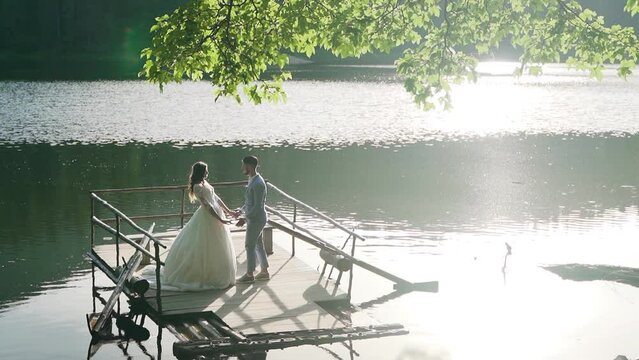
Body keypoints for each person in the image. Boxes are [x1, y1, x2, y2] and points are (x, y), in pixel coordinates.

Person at [139, 161, 237, 291]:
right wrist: (220, 219)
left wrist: (228, 211)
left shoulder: (204, 182)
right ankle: (202, 275)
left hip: (217, 215)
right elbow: (207, 205)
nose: (208, 173)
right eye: (206, 170)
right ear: (201, 172)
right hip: (208, 217)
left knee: (219, 245)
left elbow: (215, 198)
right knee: (203, 246)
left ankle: (218, 272)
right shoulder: (197, 186)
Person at [232, 156, 270, 284]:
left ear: (250, 166)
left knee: (249, 245)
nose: (242, 168)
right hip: (254, 218)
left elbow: (258, 206)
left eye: (244, 165)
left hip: (257, 219)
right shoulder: (252, 179)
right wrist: (241, 211)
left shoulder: (258, 183)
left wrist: (245, 218)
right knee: (258, 244)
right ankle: (264, 272)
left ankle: (249, 274)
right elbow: (249, 202)